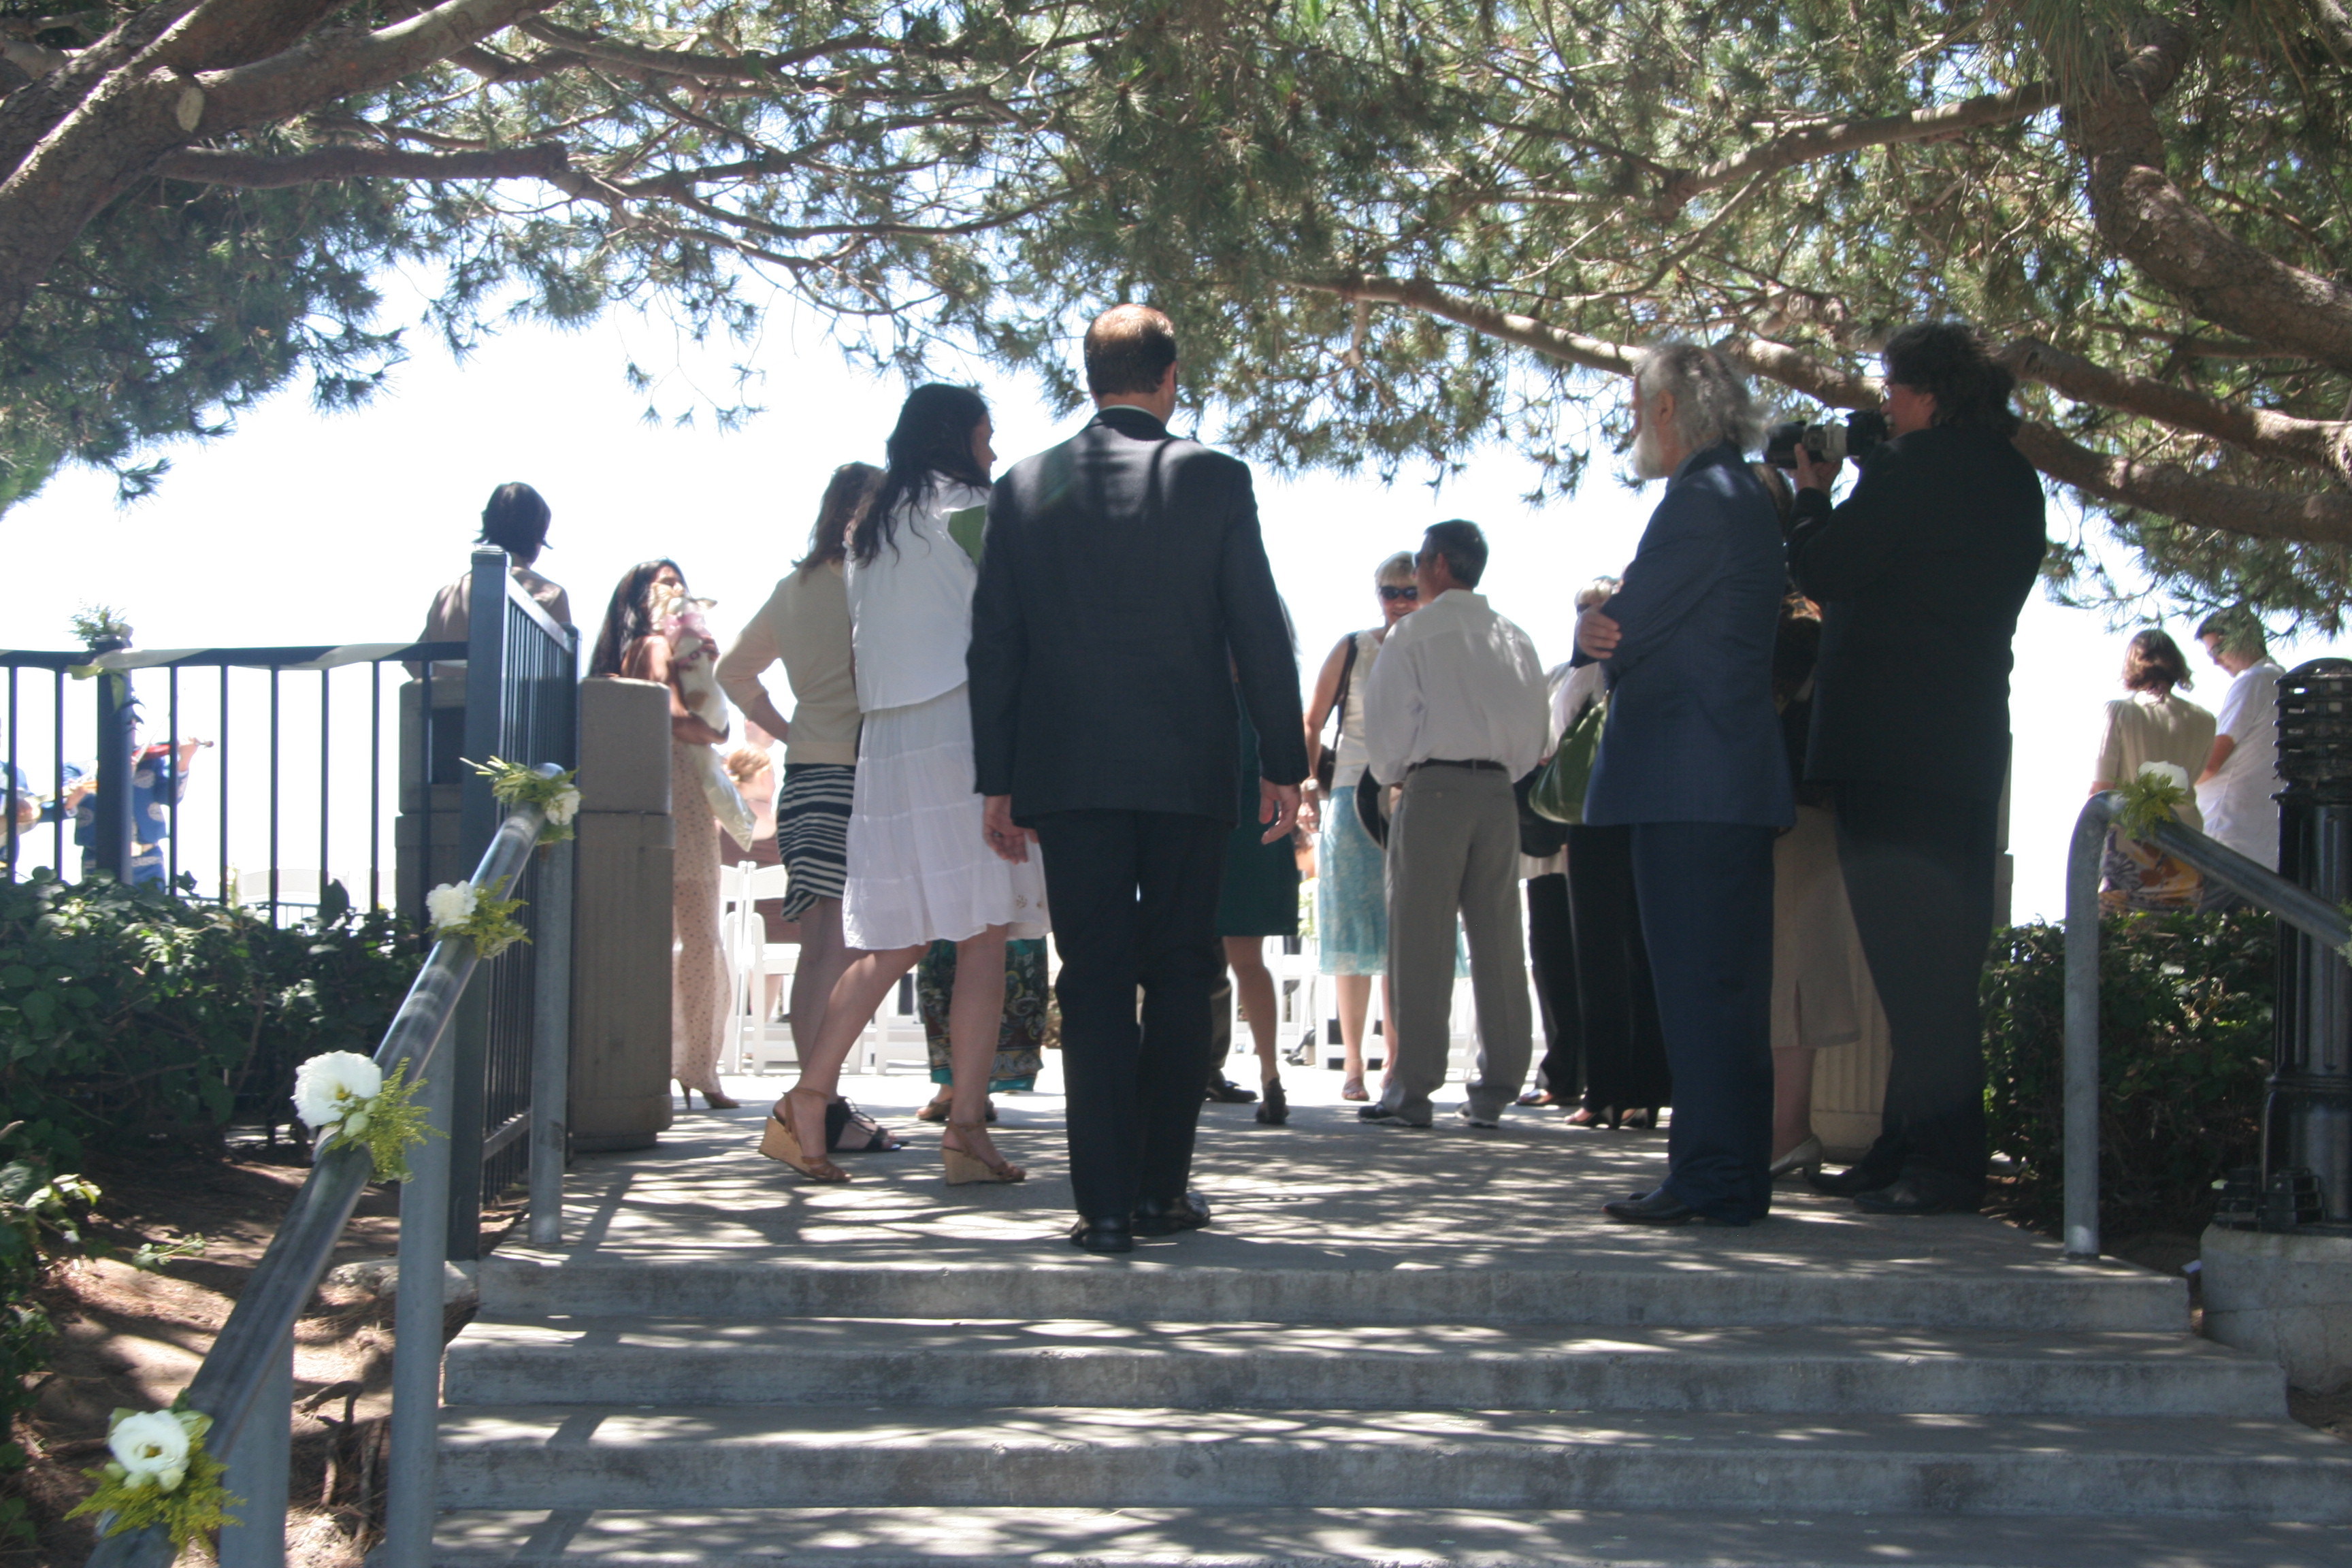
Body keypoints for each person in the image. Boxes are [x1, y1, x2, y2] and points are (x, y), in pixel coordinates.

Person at [969, 304, 1305, 1254]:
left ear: (1091, 379)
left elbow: (995, 644)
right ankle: (1162, 1191)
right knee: (1183, 969)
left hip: (1069, 768)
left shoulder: (1025, 484)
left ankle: (1105, 1204)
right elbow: (1257, 627)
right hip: (1188, 765)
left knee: (1095, 977)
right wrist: (1286, 762)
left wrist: (998, 778)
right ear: (1170, 378)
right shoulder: (1215, 478)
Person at [1789, 321, 2048, 1217]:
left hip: (1888, 746)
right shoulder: (2012, 477)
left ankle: (1942, 1163)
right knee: (1940, 960)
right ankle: (1903, 1143)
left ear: (1930, 396)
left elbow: (1826, 566)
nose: (1886, 405)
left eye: (1894, 391)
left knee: (1912, 968)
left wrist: (1814, 494)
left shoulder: (1914, 467)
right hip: (1966, 744)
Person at [764, 384, 1047, 1188]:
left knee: (900, 938)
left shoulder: (872, 529)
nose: (994, 450)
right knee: (984, 934)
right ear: (958, 437)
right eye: (986, 436)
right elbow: (1022, 622)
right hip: (962, 728)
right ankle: (965, 1128)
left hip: (886, 742)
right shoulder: (974, 511)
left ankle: (808, 1099)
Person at [1575, 344, 1791, 1226]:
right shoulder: (1740, 493)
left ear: (1668, 409)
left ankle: (1712, 1180)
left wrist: (1598, 621)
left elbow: (1622, 629)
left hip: (1691, 784)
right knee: (1721, 994)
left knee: (1701, 996)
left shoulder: (1701, 499)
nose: (1635, 424)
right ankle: (1725, 1177)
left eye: (1639, 407)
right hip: (1720, 784)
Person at [1358, 519, 1550, 1132]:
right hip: (1498, 791)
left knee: (1421, 942)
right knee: (1499, 941)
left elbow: (1387, 734)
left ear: (1438, 564)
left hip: (1434, 787)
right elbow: (1534, 733)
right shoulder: (1514, 637)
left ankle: (1412, 1089)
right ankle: (1497, 1088)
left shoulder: (1414, 633)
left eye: (1420, 562)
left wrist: (1397, 776)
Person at [717, 463, 877, 1116]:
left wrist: (788, 730)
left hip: (806, 776)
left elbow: (733, 671)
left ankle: (819, 1100)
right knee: (847, 945)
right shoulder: (874, 583)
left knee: (817, 946)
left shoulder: (794, 587)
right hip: (861, 772)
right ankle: (820, 1105)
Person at [589, 559, 739, 1111]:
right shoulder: (654, 646)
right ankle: (697, 1065)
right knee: (699, 936)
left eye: (680, 582)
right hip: (681, 795)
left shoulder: (625, 655)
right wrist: (712, 726)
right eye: (665, 583)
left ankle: (654, 1058)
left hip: (644, 791)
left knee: (650, 936)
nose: (677, 591)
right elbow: (673, 716)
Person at [1554, 578, 1673, 1132]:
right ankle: (1633, 1091)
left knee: (1611, 953)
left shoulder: (1606, 663)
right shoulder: (1651, 654)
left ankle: (1615, 1091)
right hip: (1633, 809)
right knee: (1634, 952)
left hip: (1607, 810)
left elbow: (1560, 724)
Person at [1302, 553, 1420, 1100]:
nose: (1399, 602)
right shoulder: (1353, 646)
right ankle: (1353, 1065)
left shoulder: (1433, 648)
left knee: (1404, 936)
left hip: (1414, 796)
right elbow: (1312, 720)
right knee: (1352, 933)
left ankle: (1396, 1059)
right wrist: (1308, 786)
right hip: (1352, 795)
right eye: (1390, 591)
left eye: (1410, 591)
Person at [1765, 594, 1873, 1180]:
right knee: (1794, 977)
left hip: (1789, 820)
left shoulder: (1793, 636)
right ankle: (1787, 1130)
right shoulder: (1833, 638)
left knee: (1790, 982)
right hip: (1813, 817)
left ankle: (1788, 1131)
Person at [1215, 678, 1303, 1124]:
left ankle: (1178, 1069)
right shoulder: (1268, 691)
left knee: (1182, 958)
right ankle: (1270, 1074)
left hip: (1208, 813)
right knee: (1250, 961)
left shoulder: (1197, 677)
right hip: (1257, 819)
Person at [2092, 630, 2217, 913]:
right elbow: (2197, 774)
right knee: (2175, 931)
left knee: (2118, 933)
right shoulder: (2205, 719)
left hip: (2129, 846)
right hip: (2187, 846)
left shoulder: (2119, 712)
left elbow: (2102, 789)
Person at [1517, 661, 1579, 1110]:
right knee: (1550, 955)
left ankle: (1605, 1073)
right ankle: (1563, 1071)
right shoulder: (1556, 676)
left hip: (1591, 829)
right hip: (1547, 836)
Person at [2195, 608, 2287, 877]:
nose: (2216, 661)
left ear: (2242, 637)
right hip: (2259, 840)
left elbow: (2209, 763)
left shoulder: (2253, 681)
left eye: (2218, 650)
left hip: (2226, 834)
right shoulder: (2279, 678)